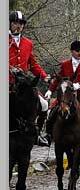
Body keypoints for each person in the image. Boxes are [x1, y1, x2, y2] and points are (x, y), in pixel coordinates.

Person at [45, 40, 80, 147]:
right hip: (66, 97)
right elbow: (58, 79)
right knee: (51, 112)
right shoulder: (65, 64)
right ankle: (48, 135)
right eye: (77, 51)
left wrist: (79, 85)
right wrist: (50, 90)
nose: (79, 53)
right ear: (71, 52)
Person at [8, 10, 52, 146]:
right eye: (16, 22)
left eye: (21, 23)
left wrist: (44, 76)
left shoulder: (28, 43)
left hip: (24, 86)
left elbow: (33, 64)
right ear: (9, 24)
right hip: (8, 84)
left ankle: (36, 134)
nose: (19, 26)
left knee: (44, 105)